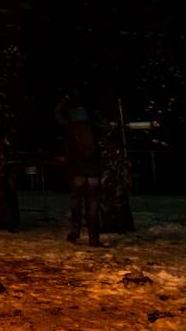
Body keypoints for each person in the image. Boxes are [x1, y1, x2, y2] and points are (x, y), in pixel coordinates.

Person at [55, 94, 107, 246]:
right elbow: (107, 127)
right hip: (94, 169)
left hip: (77, 169)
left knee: (76, 200)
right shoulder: (93, 126)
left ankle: (75, 231)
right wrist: (97, 114)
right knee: (93, 203)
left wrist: (63, 101)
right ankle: (93, 238)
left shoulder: (69, 126)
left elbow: (57, 114)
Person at [98, 133, 135, 233]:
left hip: (112, 180)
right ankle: (122, 225)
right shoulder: (117, 152)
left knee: (110, 203)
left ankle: (113, 225)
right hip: (116, 180)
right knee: (118, 202)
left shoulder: (106, 152)